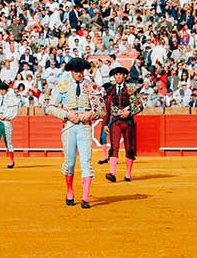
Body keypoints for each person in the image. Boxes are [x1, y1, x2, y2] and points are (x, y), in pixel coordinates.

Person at [46, 58, 105, 208]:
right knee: (70, 162)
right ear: (71, 71)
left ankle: (85, 198)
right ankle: (69, 190)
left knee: (86, 162)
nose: (79, 74)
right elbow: (50, 107)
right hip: (69, 126)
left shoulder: (91, 86)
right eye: (76, 71)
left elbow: (102, 110)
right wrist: (66, 115)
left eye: (81, 71)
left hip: (85, 126)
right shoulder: (63, 85)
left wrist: (90, 114)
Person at [104, 66, 143, 183]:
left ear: (124, 76)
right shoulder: (110, 90)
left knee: (129, 148)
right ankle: (112, 173)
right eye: (116, 75)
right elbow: (107, 108)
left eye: (120, 74)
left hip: (128, 122)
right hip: (115, 121)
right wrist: (105, 123)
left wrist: (129, 112)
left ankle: (128, 174)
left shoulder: (131, 89)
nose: (118, 76)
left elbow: (139, 105)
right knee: (114, 146)